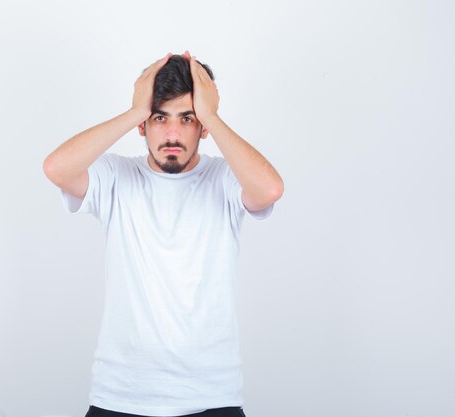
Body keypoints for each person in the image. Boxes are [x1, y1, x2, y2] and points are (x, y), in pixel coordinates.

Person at [43, 51, 284, 417]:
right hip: (120, 396)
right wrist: (134, 111)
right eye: (160, 117)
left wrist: (212, 117)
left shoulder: (225, 177)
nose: (172, 134)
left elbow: (269, 190)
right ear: (143, 124)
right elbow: (56, 168)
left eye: (187, 119)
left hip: (211, 396)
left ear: (202, 124)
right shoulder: (116, 177)